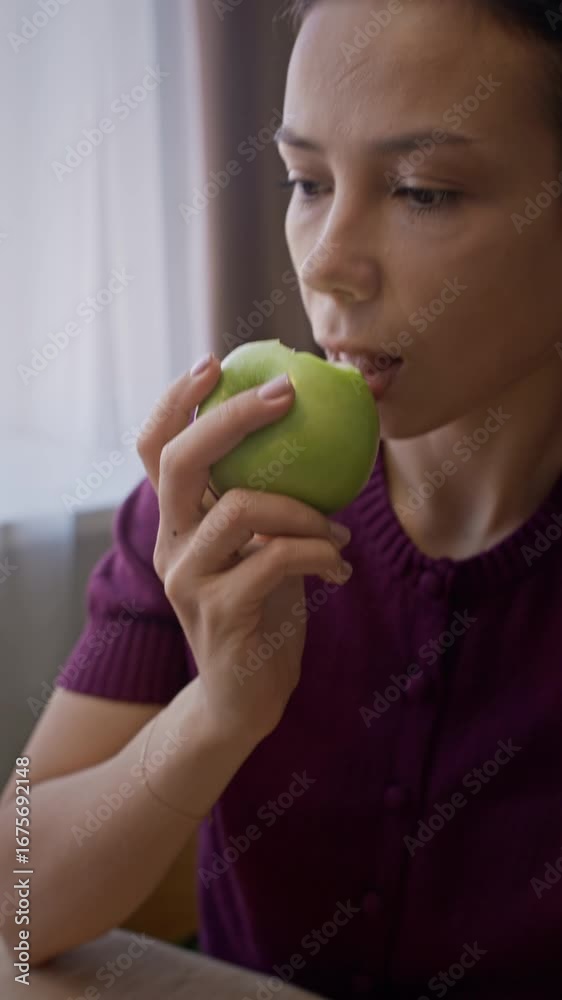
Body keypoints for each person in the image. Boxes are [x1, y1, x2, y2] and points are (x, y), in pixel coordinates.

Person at [2, 0, 562, 996]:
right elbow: (15, 906)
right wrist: (216, 715)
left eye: (423, 191)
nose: (326, 262)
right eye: (306, 181)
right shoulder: (208, 504)